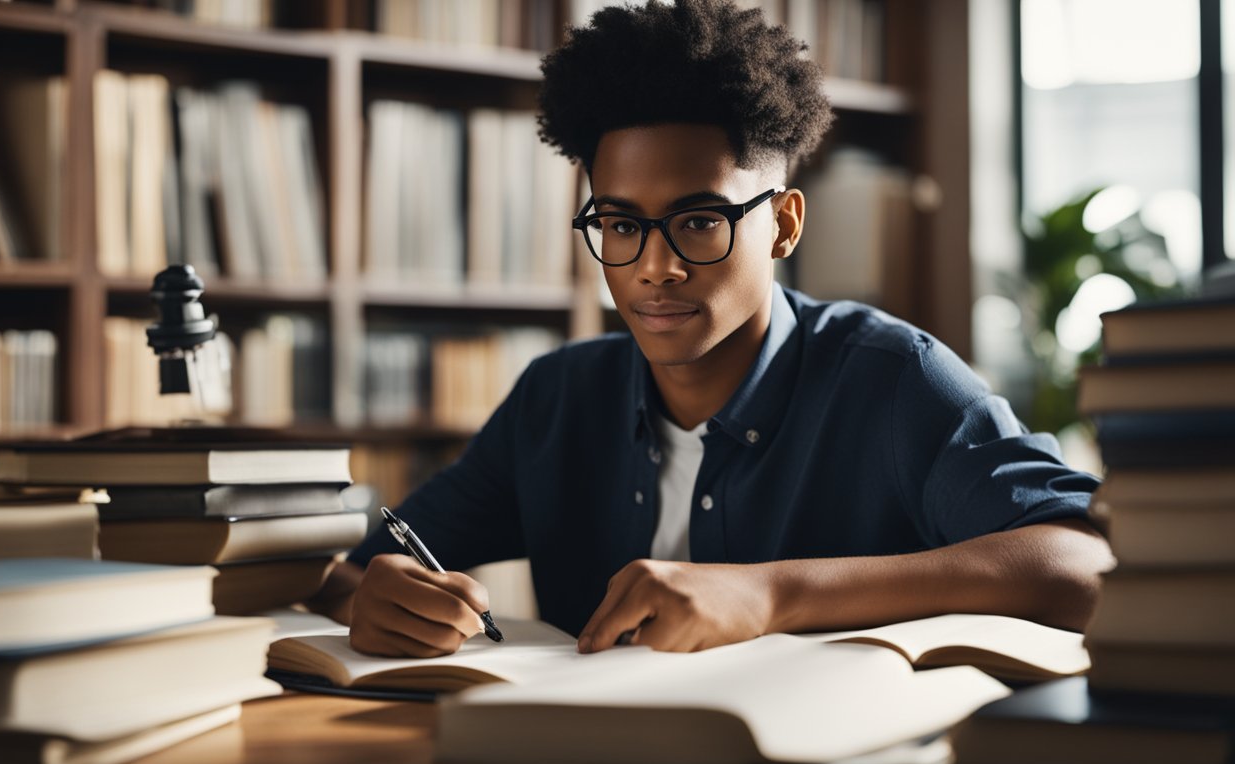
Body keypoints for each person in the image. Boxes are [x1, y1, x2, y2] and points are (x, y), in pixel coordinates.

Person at [308, 0, 1113, 657]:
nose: (654, 266)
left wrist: (772, 592)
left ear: (784, 224)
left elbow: (1082, 563)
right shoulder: (558, 399)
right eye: (620, 225)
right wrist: (370, 600)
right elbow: (353, 576)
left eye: (699, 221)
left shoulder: (892, 378)